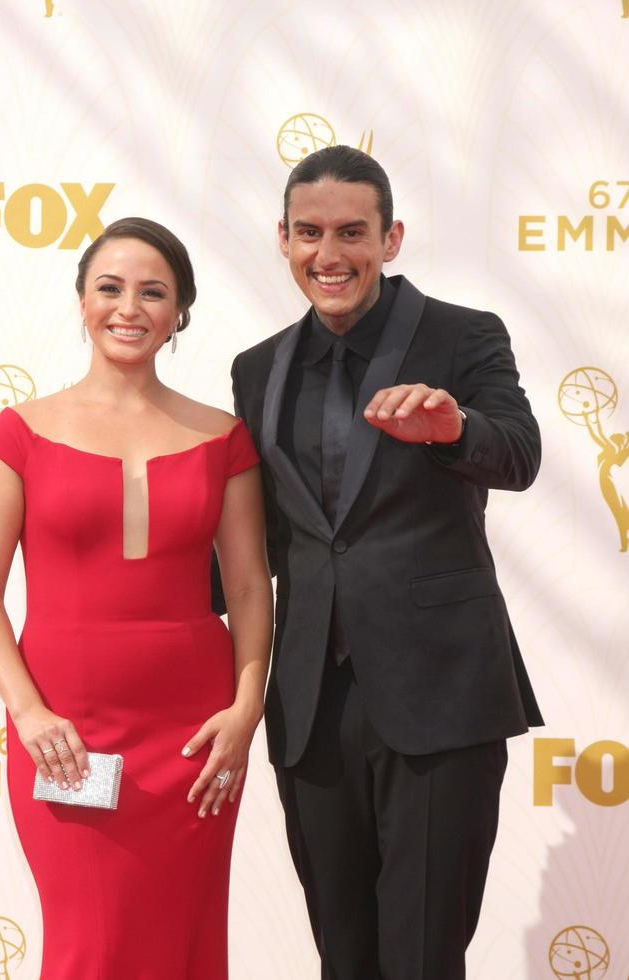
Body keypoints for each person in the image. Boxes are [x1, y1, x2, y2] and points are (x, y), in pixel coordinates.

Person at [214, 146, 543, 979]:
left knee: (423, 957)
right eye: (311, 234)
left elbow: (520, 453)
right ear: (283, 240)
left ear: (391, 239)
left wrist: (454, 428)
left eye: (353, 232)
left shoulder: (465, 335)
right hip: (310, 701)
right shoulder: (257, 368)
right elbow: (270, 541)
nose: (331, 255)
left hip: (440, 693)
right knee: (344, 955)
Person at [0, 217, 273, 979]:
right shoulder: (18, 435)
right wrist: (29, 711)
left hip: (195, 740)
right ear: (81, 302)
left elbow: (247, 588)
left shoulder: (223, 438)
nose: (128, 307)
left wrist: (246, 710)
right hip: (66, 733)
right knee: (90, 947)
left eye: (153, 292)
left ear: (180, 313)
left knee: (184, 940)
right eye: (110, 288)